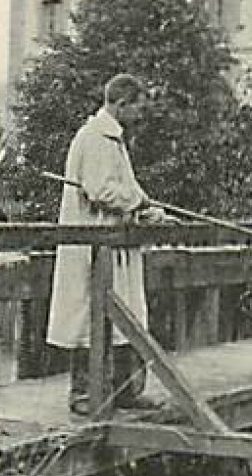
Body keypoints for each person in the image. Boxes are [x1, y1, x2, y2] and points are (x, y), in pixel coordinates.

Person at [46, 73, 170, 416]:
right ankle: (85, 394)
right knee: (91, 317)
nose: (141, 115)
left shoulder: (113, 138)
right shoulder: (96, 138)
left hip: (115, 243)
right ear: (121, 104)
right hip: (93, 244)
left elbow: (124, 189)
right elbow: (101, 189)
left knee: (127, 314)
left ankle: (125, 391)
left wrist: (147, 209)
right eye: (138, 108)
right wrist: (139, 204)